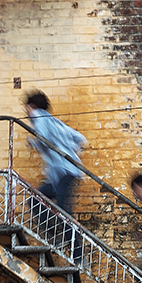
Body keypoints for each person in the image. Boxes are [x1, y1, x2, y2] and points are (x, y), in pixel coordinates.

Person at [22, 89, 88, 217]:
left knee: (63, 211)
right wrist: (73, 152)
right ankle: (56, 235)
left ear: (32, 106)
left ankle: (70, 236)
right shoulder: (51, 120)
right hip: (62, 173)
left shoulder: (38, 116)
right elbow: (80, 139)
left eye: (26, 107)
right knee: (36, 201)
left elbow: (43, 139)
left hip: (64, 172)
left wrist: (32, 142)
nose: (26, 111)